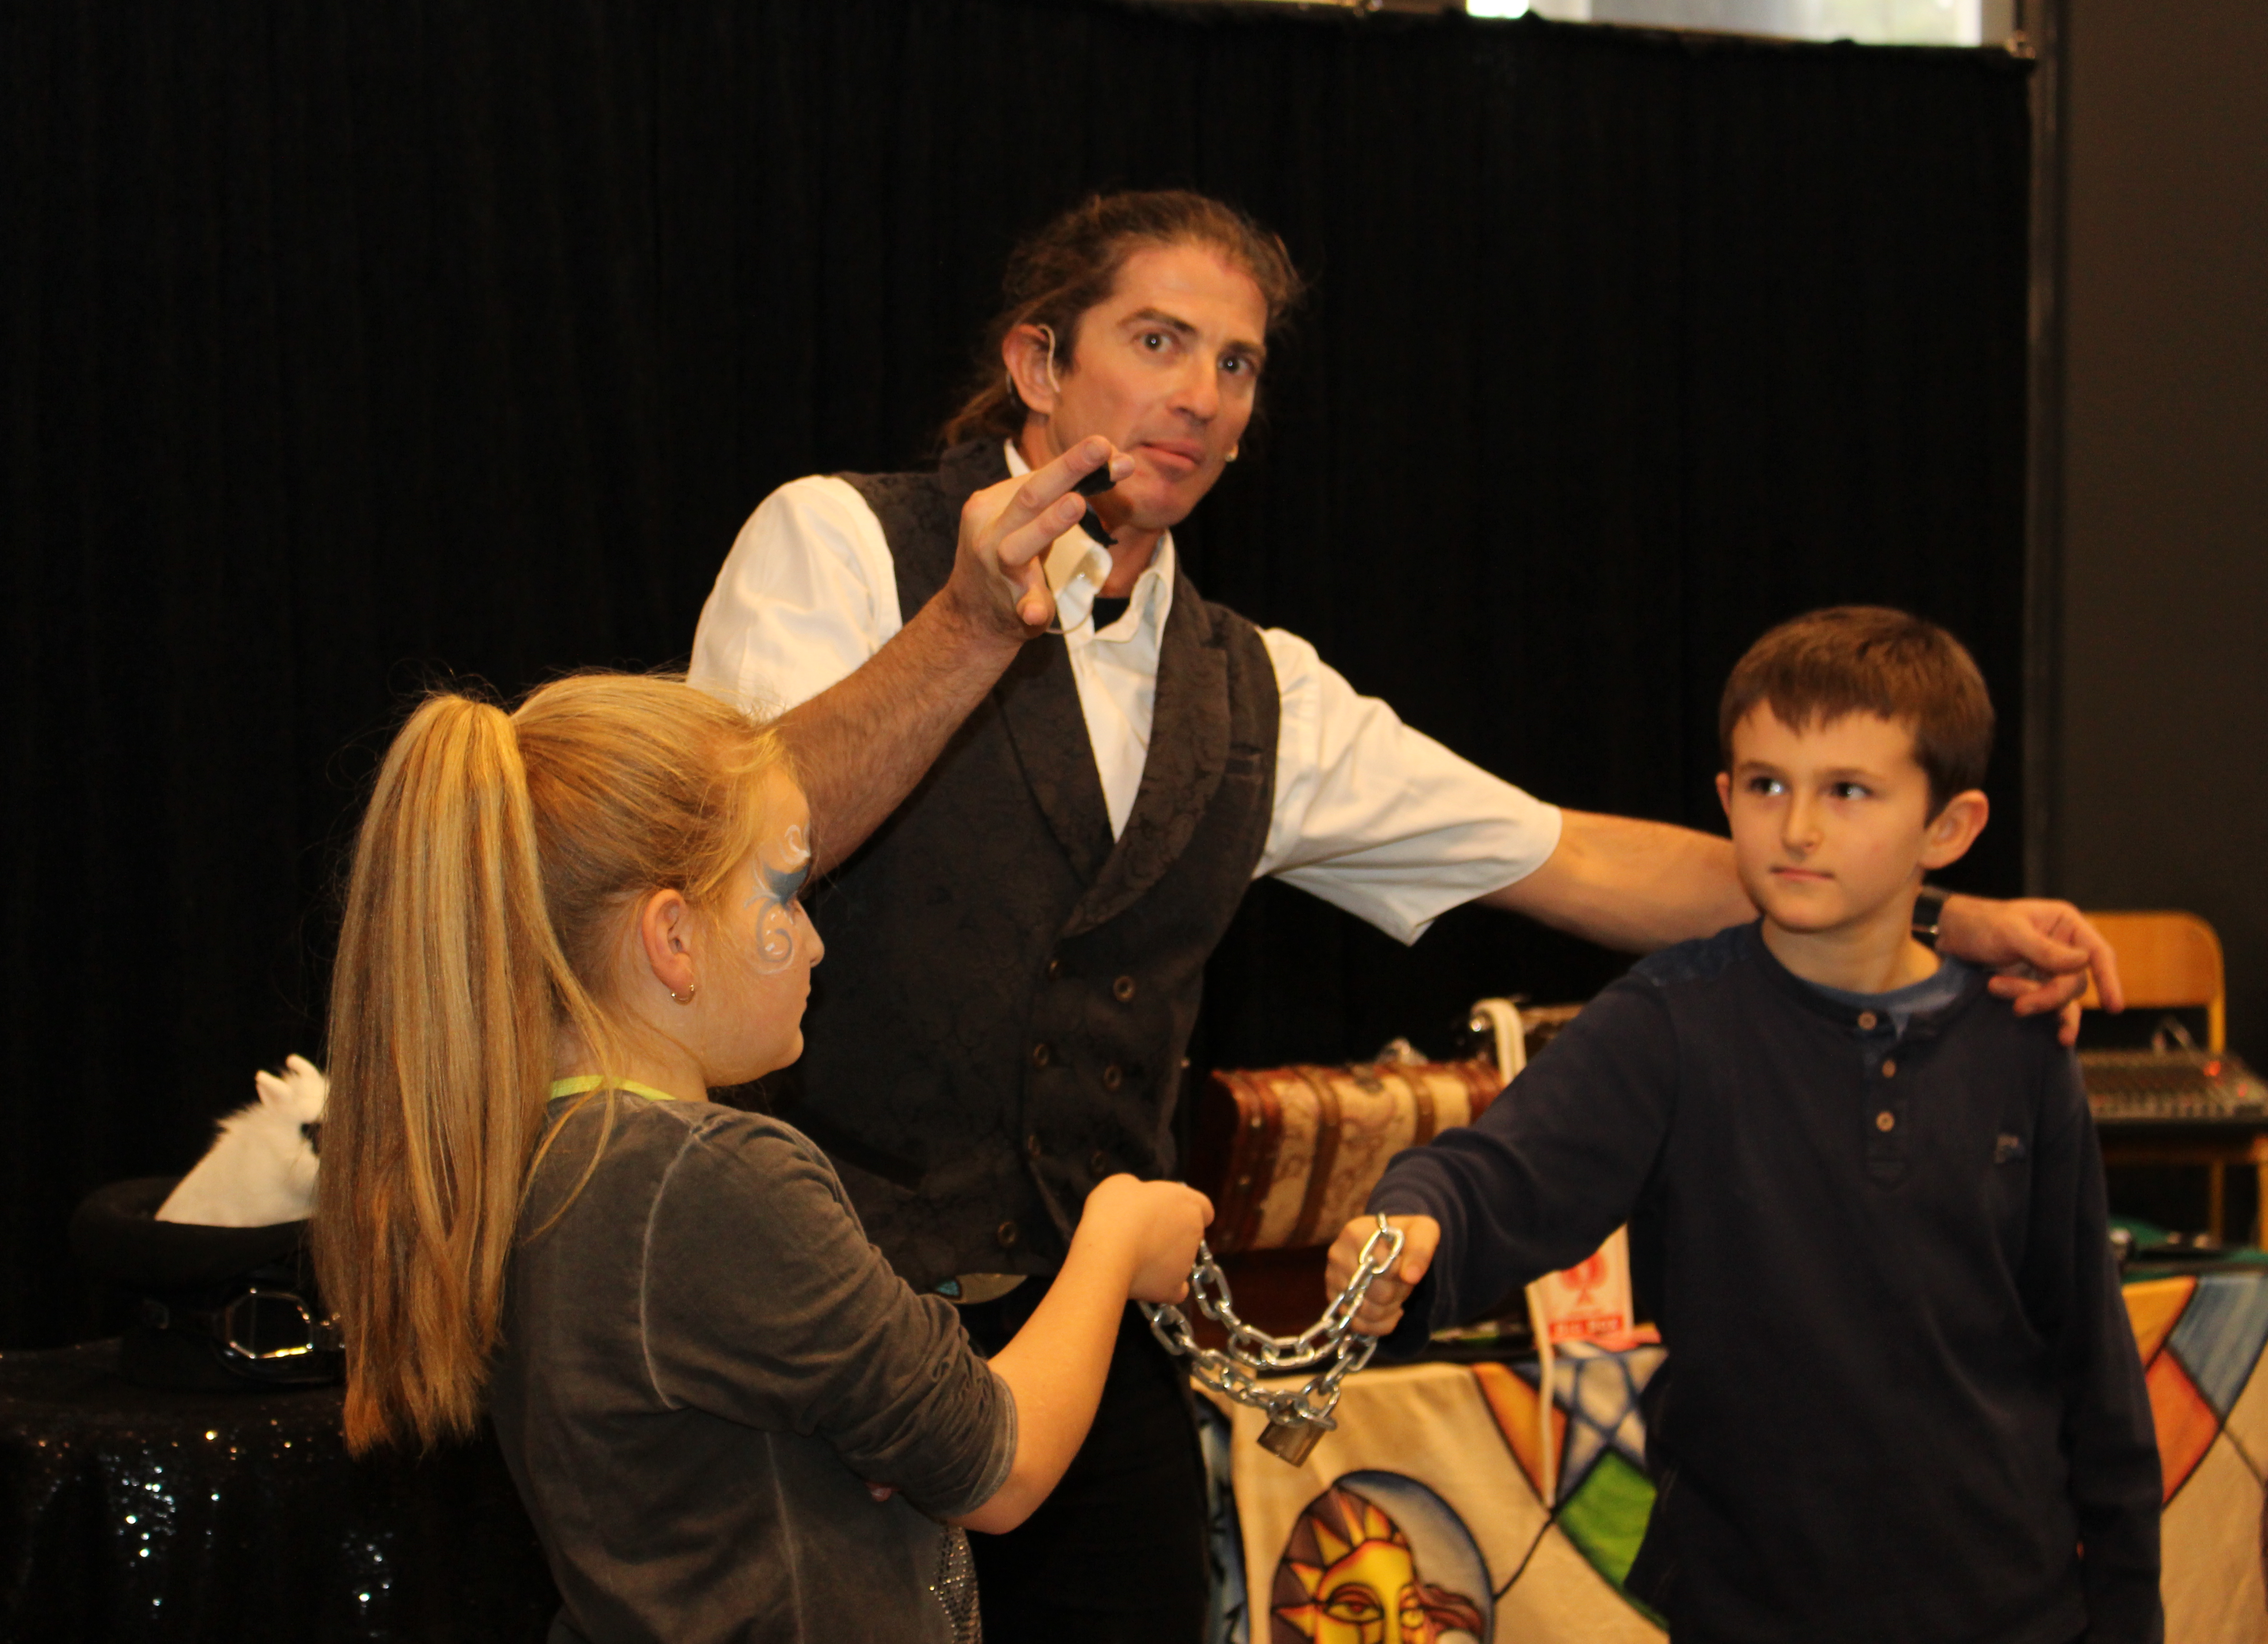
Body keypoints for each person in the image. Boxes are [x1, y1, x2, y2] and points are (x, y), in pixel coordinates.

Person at [688, 191, 2124, 1640]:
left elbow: (1578, 862)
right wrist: (964, 627)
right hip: (823, 1315)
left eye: (1237, 363)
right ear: (1038, 363)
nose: (1201, 394)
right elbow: (722, 852)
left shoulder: (1256, 690)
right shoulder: (839, 544)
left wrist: (1938, 916)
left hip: (1097, 1332)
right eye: (1158, 340)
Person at [310, 674, 1215, 1644]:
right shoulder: (705, 1178)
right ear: (673, 938)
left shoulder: (537, 1158)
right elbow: (1003, 1467)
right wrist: (1115, 1239)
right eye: (785, 892)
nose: (816, 943)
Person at [1328, 607, 2162, 1644]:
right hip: (1752, 1607)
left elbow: (2094, 1363)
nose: (1798, 828)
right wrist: (1411, 1232)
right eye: (1768, 786)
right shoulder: (1668, 1025)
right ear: (1727, 800)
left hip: (2014, 1609)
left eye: (1848, 792)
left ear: (1948, 829)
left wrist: (2128, 1610)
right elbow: (1495, 1177)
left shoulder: (2022, 1039)